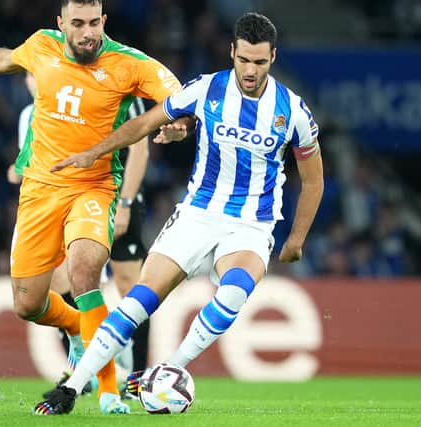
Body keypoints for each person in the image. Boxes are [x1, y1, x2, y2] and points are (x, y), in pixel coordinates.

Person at [38, 12, 324, 415]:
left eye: (259, 62)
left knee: (233, 293)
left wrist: (295, 240)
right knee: (138, 301)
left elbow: (314, 180)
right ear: (232, 52)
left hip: (251, 226)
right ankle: (72, 387)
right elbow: (145, 123)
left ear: (273, 57)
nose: (250, 70)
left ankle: (168, 368)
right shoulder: (206, 90)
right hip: (196, 215)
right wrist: (94, 152)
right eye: (244, 60)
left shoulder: (293, 112)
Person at [0, 0, 185, 415]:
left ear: (104, 21)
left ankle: (109, 390)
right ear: (61, 23)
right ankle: (81, 331)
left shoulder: (130, 63)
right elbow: (6, 59)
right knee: (28, 303)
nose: (86, 32)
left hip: (93, 187)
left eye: (93, 22)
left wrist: (179, 123)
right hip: (40, 192)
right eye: (77, 23)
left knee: (84, 271)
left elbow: (176, 95)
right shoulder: (42, 45)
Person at [9, 73, 153, 389]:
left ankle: (135, 377)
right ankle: (83, 370)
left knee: (131, 284)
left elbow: (140, 150)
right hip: (69, 199)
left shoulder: (118, 88)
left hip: (115, 191)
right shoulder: (34, 112)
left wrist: (126, 202)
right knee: (70, 281)